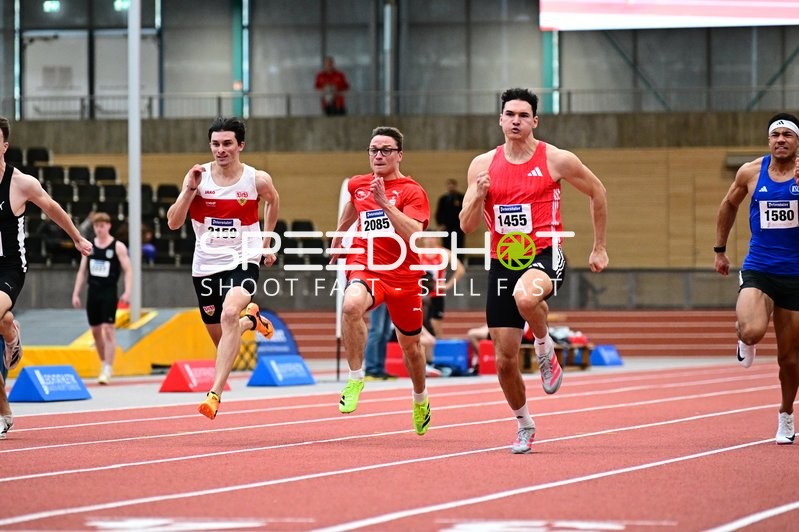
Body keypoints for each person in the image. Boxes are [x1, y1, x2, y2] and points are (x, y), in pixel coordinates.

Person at [459, 88, 608, 454]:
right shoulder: (481, 165)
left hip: (545, 252)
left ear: (534, 121)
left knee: (526, 297)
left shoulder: (556, 159)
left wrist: (599, 246)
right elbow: (467, 225)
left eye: (523, 115)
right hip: (503, 262)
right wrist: (478, 195)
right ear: (500, 119)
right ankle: (524, 423)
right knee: (505, 360)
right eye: (509, 114)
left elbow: (597, 191)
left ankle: (544, 348)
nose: (515, 121)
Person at [166, 116, 279, 420]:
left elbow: (273, 201)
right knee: (223, 337)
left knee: (230, 313)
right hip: (205, 265)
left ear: (240, 145)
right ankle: (251, 322)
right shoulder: (198, 177)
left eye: (227, 143)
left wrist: (267, 241)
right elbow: (174, 222)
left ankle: (214, 394)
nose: (221, 149)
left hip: (243, 259)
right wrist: (189, 189)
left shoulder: (257, 180)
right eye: (215, 144)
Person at [328, 126, 432, 435]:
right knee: (350, 306)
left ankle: (420, 399)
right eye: (374, 149)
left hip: (403, 274)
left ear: (399, 155)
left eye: (386, 150)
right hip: (366, 265)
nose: (378, 155)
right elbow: (353, 207)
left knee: (411, 348)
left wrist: (385, 203)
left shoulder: (412, 190)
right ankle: (356, 377)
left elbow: (416, 234)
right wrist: (339, 235)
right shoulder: (359, 184)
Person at [0, 117, 92, 437]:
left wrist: (78, 238)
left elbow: (52, 208)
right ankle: (10, 331)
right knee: (1, 320)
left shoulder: (20, 183)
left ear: (4, 146)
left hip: (10, 267)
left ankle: (3, 411)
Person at [714, 112, 799, 445]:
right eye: (775, 135)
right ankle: (744, 339)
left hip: (796, 274)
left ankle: (785, 414)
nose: (781, 140)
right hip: (760, 267)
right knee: (752, 329)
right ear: (769, 140)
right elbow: (728, 204)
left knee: (789, 359)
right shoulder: (750, 172)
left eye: (787, 135)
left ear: (796, 142)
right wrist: (720, 249)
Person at [71, 212, 133, 384]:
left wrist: (128, 291)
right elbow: (82, 271)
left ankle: (107, 367)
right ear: (94, 228)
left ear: (108, 226)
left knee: (108, 329)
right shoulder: (89, 247)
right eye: (97, 226)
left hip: (109, 291)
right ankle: (103, 362)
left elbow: (128, 269)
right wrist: (76, 293)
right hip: (93, 291)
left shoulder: (117, 246)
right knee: (96, 331)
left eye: (102, 226)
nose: (99, 229)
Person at [418, 234, 465, 337]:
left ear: (437, 239)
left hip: (437, 293)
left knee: (436, 325)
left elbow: (460, 269)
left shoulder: (444, 253)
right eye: (427, 237)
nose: (430, 240)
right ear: (423, 239)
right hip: (420, 294)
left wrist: (448, 285)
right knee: (419, 324)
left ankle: (438, 349)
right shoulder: (418, 253)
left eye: (432, 237)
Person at [364, 303, 396, 380]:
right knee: (376, 332)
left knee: (386, 333)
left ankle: (380, 369)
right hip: (379, 295)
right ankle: (371, 369)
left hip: (390, 296)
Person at [435, 178, 465, 249]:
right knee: (446, 245)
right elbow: (439, 212)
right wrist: (440, 224)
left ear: (455, 186)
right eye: (449, 185)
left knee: (459, 245)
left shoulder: (461, 198)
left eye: (452, 185)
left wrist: (464, 224)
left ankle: (459, 259)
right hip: (446, 227)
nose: (451, 186)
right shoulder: (443, 199)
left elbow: (464, 211)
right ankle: (447, 259)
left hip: (458, 226)